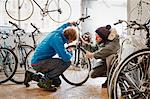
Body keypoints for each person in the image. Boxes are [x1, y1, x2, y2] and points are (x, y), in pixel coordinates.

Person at [24, 22, 77, 91]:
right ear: (69, 37)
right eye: (72, 40)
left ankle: (31, 76)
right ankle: (45, 80)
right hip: (39, 63)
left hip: (40, 60)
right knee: (67, 62)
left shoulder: (60, 31)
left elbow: (64, 26)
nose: (71, 42)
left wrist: (70, 23)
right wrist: (70, 52)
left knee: (57, 82)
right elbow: (66, 58)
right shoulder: (57, 40)